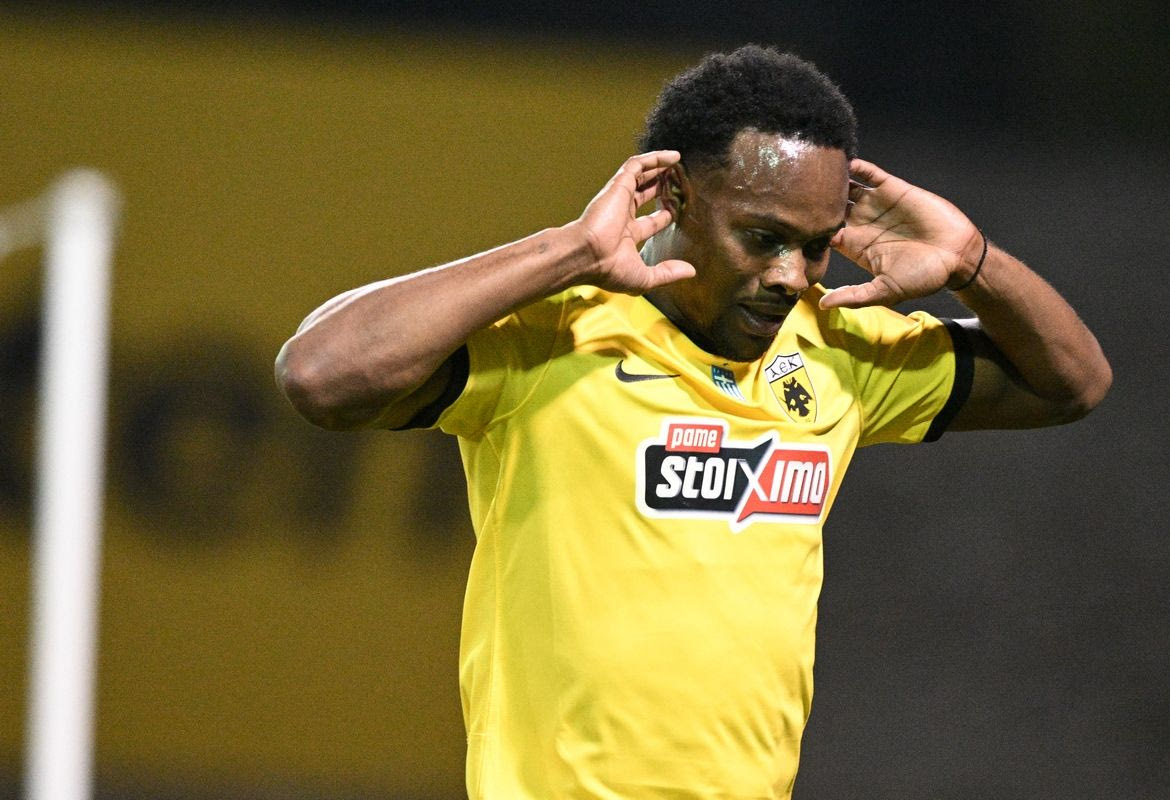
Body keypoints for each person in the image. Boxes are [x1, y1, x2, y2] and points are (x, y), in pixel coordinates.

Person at [276, 45, 1110, 799]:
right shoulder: (555, 336)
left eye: (815, 245)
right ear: (675, 195)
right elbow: (319, 375)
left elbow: (1073, 384)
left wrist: (972, 263)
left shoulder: (838, 347)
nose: (791, 275)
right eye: (763, 237)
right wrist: (569, 251)